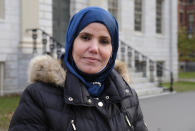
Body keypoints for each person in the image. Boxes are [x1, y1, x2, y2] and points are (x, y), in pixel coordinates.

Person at [9, 7, 148, 131]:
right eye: (85, 37)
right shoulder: (37, 97)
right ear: (71, 42)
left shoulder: (127, 96)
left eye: (104, 41)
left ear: (113, 50)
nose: (94, 48)